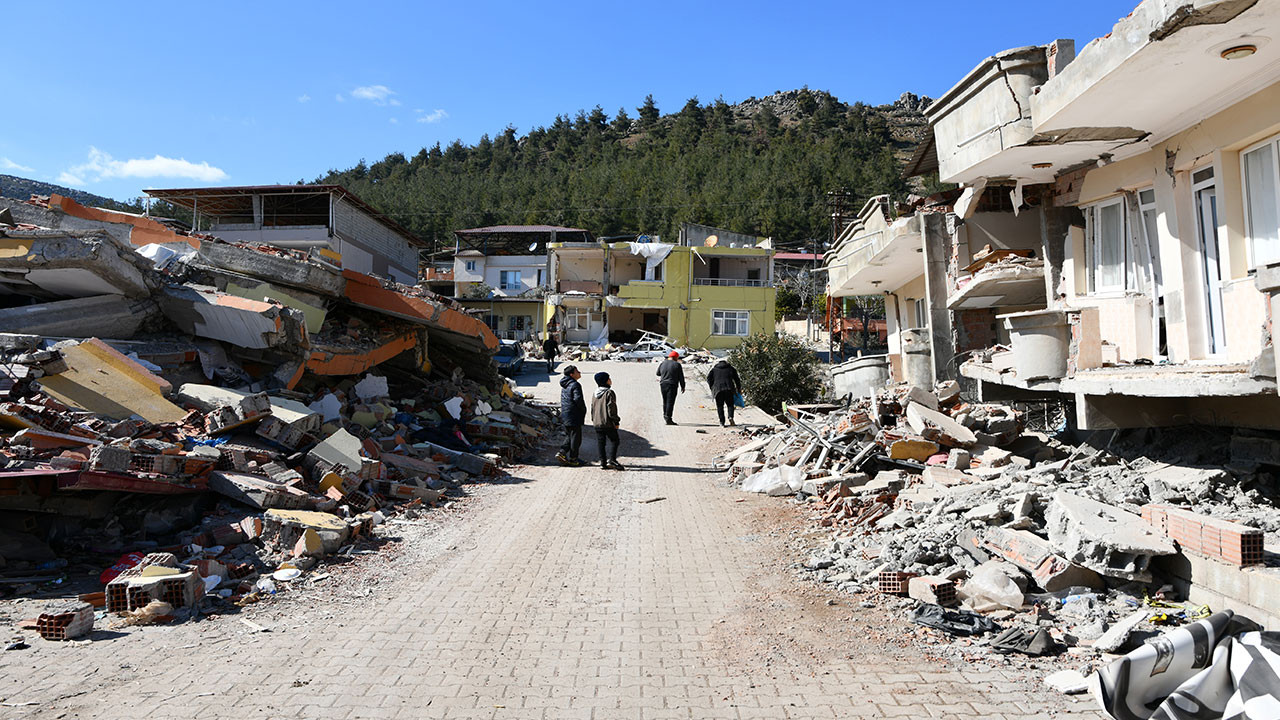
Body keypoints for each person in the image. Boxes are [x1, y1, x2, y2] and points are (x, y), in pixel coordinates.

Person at [590, 371, 624, 471]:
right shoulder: (609, 392)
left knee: (601, 443)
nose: (610, 380)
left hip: (597, 422)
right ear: (605, 381)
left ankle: (603, 462)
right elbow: (611, 409)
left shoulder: (595, 393)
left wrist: (593, 419)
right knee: (615, 441)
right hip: (607, 422)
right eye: (609, 378)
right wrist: (616, 421)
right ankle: (612, 460)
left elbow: (592, 408)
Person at [556, 365, 586, 466]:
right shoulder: (575, 385)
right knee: (576, 438)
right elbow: (578, 399)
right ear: (572, 374)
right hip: (574, 414)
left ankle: (562, 452)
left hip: (565, 414)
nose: (579, 372)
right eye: (577, 371)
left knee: (570, 436)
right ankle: (573, 459)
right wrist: (583, 409)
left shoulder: (565, 384)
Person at [706, 358, 743, 427]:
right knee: (730, 404)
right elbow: (737, 379)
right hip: (729, 389)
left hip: (718, 389)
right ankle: (730, 417)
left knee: (720, 406)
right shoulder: (731, 368)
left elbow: (708, 378)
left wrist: (712, 387)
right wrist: (739, 389)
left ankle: (722, 422)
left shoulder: (714, 370)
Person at [655, 350, 685, 425]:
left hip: (663, 384)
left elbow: (658, 373)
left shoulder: (662, 363)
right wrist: (683, 386)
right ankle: (668, 419)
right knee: (670, 402)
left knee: (665, 401)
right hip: (672, 385)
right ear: (675, 357)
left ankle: (665, 416)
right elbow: (681, 377)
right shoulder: (677, 365)